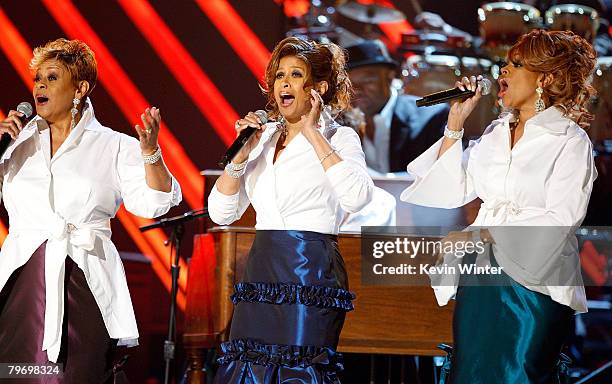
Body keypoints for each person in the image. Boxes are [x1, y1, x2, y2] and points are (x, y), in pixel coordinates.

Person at [400, 30, 597, 383]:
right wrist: (455, 123)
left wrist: (483, 235)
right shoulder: (493, 133)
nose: (502, 72)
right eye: (503, 64)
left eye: (515, 65)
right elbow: (448, 191)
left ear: (545, 79)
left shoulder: (569, 140)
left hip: (535, 283)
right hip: (481, 279)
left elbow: (562, 218)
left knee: (517, 372)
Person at [0, 38, 181, 382]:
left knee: (74, 374)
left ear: (80, 88)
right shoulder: (16, 145)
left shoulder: (114, 146)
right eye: (37, 79)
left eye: (51, 78)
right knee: (16, 373)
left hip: (83, 283)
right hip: (21, 285)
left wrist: (151, 153)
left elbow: (154, 202)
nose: (40, 85)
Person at [208, 36, 373, 383]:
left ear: (318, 88)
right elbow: (221, 213)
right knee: (249, 368)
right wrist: (240, 156)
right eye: (279, 75)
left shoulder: (340, 138)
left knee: (297, 369)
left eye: (296, 75)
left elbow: (358, 197)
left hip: (309, 269)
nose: (284, 82)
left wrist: (314, 134)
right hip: (261, 269)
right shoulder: (263, 137)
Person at [345, 40, 449, 174]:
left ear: (390, 75)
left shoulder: (431, 117)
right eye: (349, 83)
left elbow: (441, 176)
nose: (357, 90)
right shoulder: (336, 123)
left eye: (367, 80)